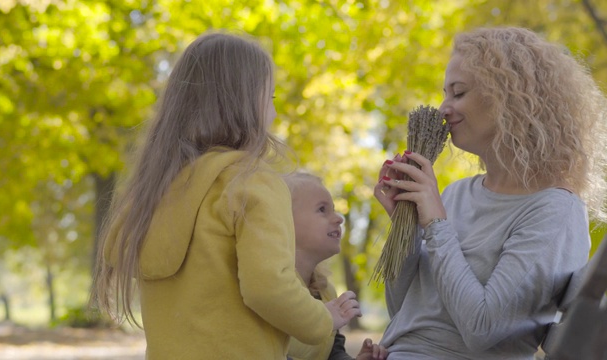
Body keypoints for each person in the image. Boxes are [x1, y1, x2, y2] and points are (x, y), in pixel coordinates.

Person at [91, 31, 362, 359]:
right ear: (246, 104)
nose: (274, 114)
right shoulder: (251, 183)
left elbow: (114, 250)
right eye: (271, 99)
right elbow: (268, 287)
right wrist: (323, 318)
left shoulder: (156, 191)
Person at [374, 26, 607, 359]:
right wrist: (406, 224)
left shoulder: (554, 210)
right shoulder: (454, 195)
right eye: (445, 93)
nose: (443, 109)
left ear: (507, 97)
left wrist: (436, 224)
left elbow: (482, 329)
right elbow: (405, 314)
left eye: (458, 93)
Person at [284, 172, 388, 360]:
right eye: (322, 209)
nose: (339, 218)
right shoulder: (272, 289)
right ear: (284, 222)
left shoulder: (326, 292)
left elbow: (332, 352)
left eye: (333, 209)